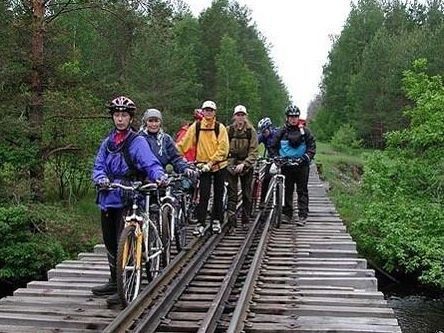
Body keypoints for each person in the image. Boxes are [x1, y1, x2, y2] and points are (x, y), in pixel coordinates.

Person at [91, 96, 166, 306]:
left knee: (122, 240)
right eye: (117, 115)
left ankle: (126, 283)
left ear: (131, 118)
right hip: (108, 196)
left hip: (128, 195)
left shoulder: (137, 141)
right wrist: (100, 178)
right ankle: (114, 281)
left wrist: (159, 176)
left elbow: (150, 163)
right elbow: (98, 165)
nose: (120, 119)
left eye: (124, 115)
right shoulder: (108, 142)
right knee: (109, 241)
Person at [176, 100, 229, 236]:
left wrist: (210, 163)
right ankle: (201, 223)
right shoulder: (197, 127)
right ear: (203, 111)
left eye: (211, 110)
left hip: (218, 166)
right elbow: (185, 143)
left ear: (214, 112)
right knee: (203, 195)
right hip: (202, 166)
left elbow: (223, 149)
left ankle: (216, 220)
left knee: (218, 193)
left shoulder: (220, 128)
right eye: (206, 110)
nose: (208, 113)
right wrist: (174, 155)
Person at [269, 105, 316, 226]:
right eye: (291, 116)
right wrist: (276, 157)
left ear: (298, 117)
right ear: (287, 117)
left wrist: (306, 157)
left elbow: (311, 147)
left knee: (302, 190)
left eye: (295, 116)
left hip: (301, 166)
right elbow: (272, 146)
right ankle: (287, 214)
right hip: (286, 165)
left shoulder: (305, 131)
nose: (293, 119)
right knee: (287, 190)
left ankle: (302, 215)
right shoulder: (282, 131)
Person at [226, 105, 258, 230]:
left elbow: (254, 151)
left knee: (246, 194)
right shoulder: (229, 130)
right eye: (238, 115)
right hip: (231, 164)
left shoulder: (251, 131)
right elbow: (224, 148)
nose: (240, 117)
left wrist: (245, 164)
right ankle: (231, 222)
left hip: (246, 165)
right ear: (234, 116)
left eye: (242, 115)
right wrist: (229, 164)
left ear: (245, 116)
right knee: (232, 194)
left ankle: (245, 220)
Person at [140, 108, 196, 176]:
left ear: (160, 123)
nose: (154, 124)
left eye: (156, 121)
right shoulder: (139, 139)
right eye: (150, 121)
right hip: (142, 177)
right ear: (145, 122)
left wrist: (184, 168)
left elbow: (175, 158)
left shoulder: (166, 139)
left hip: (162, 176)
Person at [257, 117, 279, 207]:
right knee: (266, 179)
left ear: (269, 128)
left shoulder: (277, 134)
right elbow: (255, 143)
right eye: (262, 132)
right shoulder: (262, 136)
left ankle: (281, 200)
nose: (264, 134)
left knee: (283, 179)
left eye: (265, 131)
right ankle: (262, 200)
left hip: (280, 157)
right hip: (270, 158)